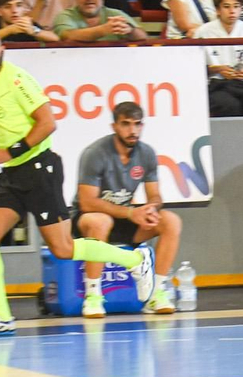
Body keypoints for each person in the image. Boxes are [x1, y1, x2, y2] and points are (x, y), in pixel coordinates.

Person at [0, 28, 156, 337]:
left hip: (40, 169)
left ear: (2, 49)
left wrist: (11, 151)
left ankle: (133, 259)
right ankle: (0, 316)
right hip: (11, 175)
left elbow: (48, 123)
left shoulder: (17, 79)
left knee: (63, 248)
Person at [74, 100, 182, 322]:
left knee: (171, 221)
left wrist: (151, 208)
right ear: (114, 126)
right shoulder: (95, 153)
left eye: (137, 124)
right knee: (100, 221)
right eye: (126, 124)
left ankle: (156, 293)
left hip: (125, 217)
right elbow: (87, 202)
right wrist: (132, 213)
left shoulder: (147, 154)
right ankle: (93, 296)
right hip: (88, 220)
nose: (132, 130)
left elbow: (155, 194)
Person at [54, 0, 142, 44]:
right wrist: (103, 30)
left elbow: (142, 36)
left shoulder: (115, 14)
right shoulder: (65, 16)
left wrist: (130, 30)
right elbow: (68, 36)